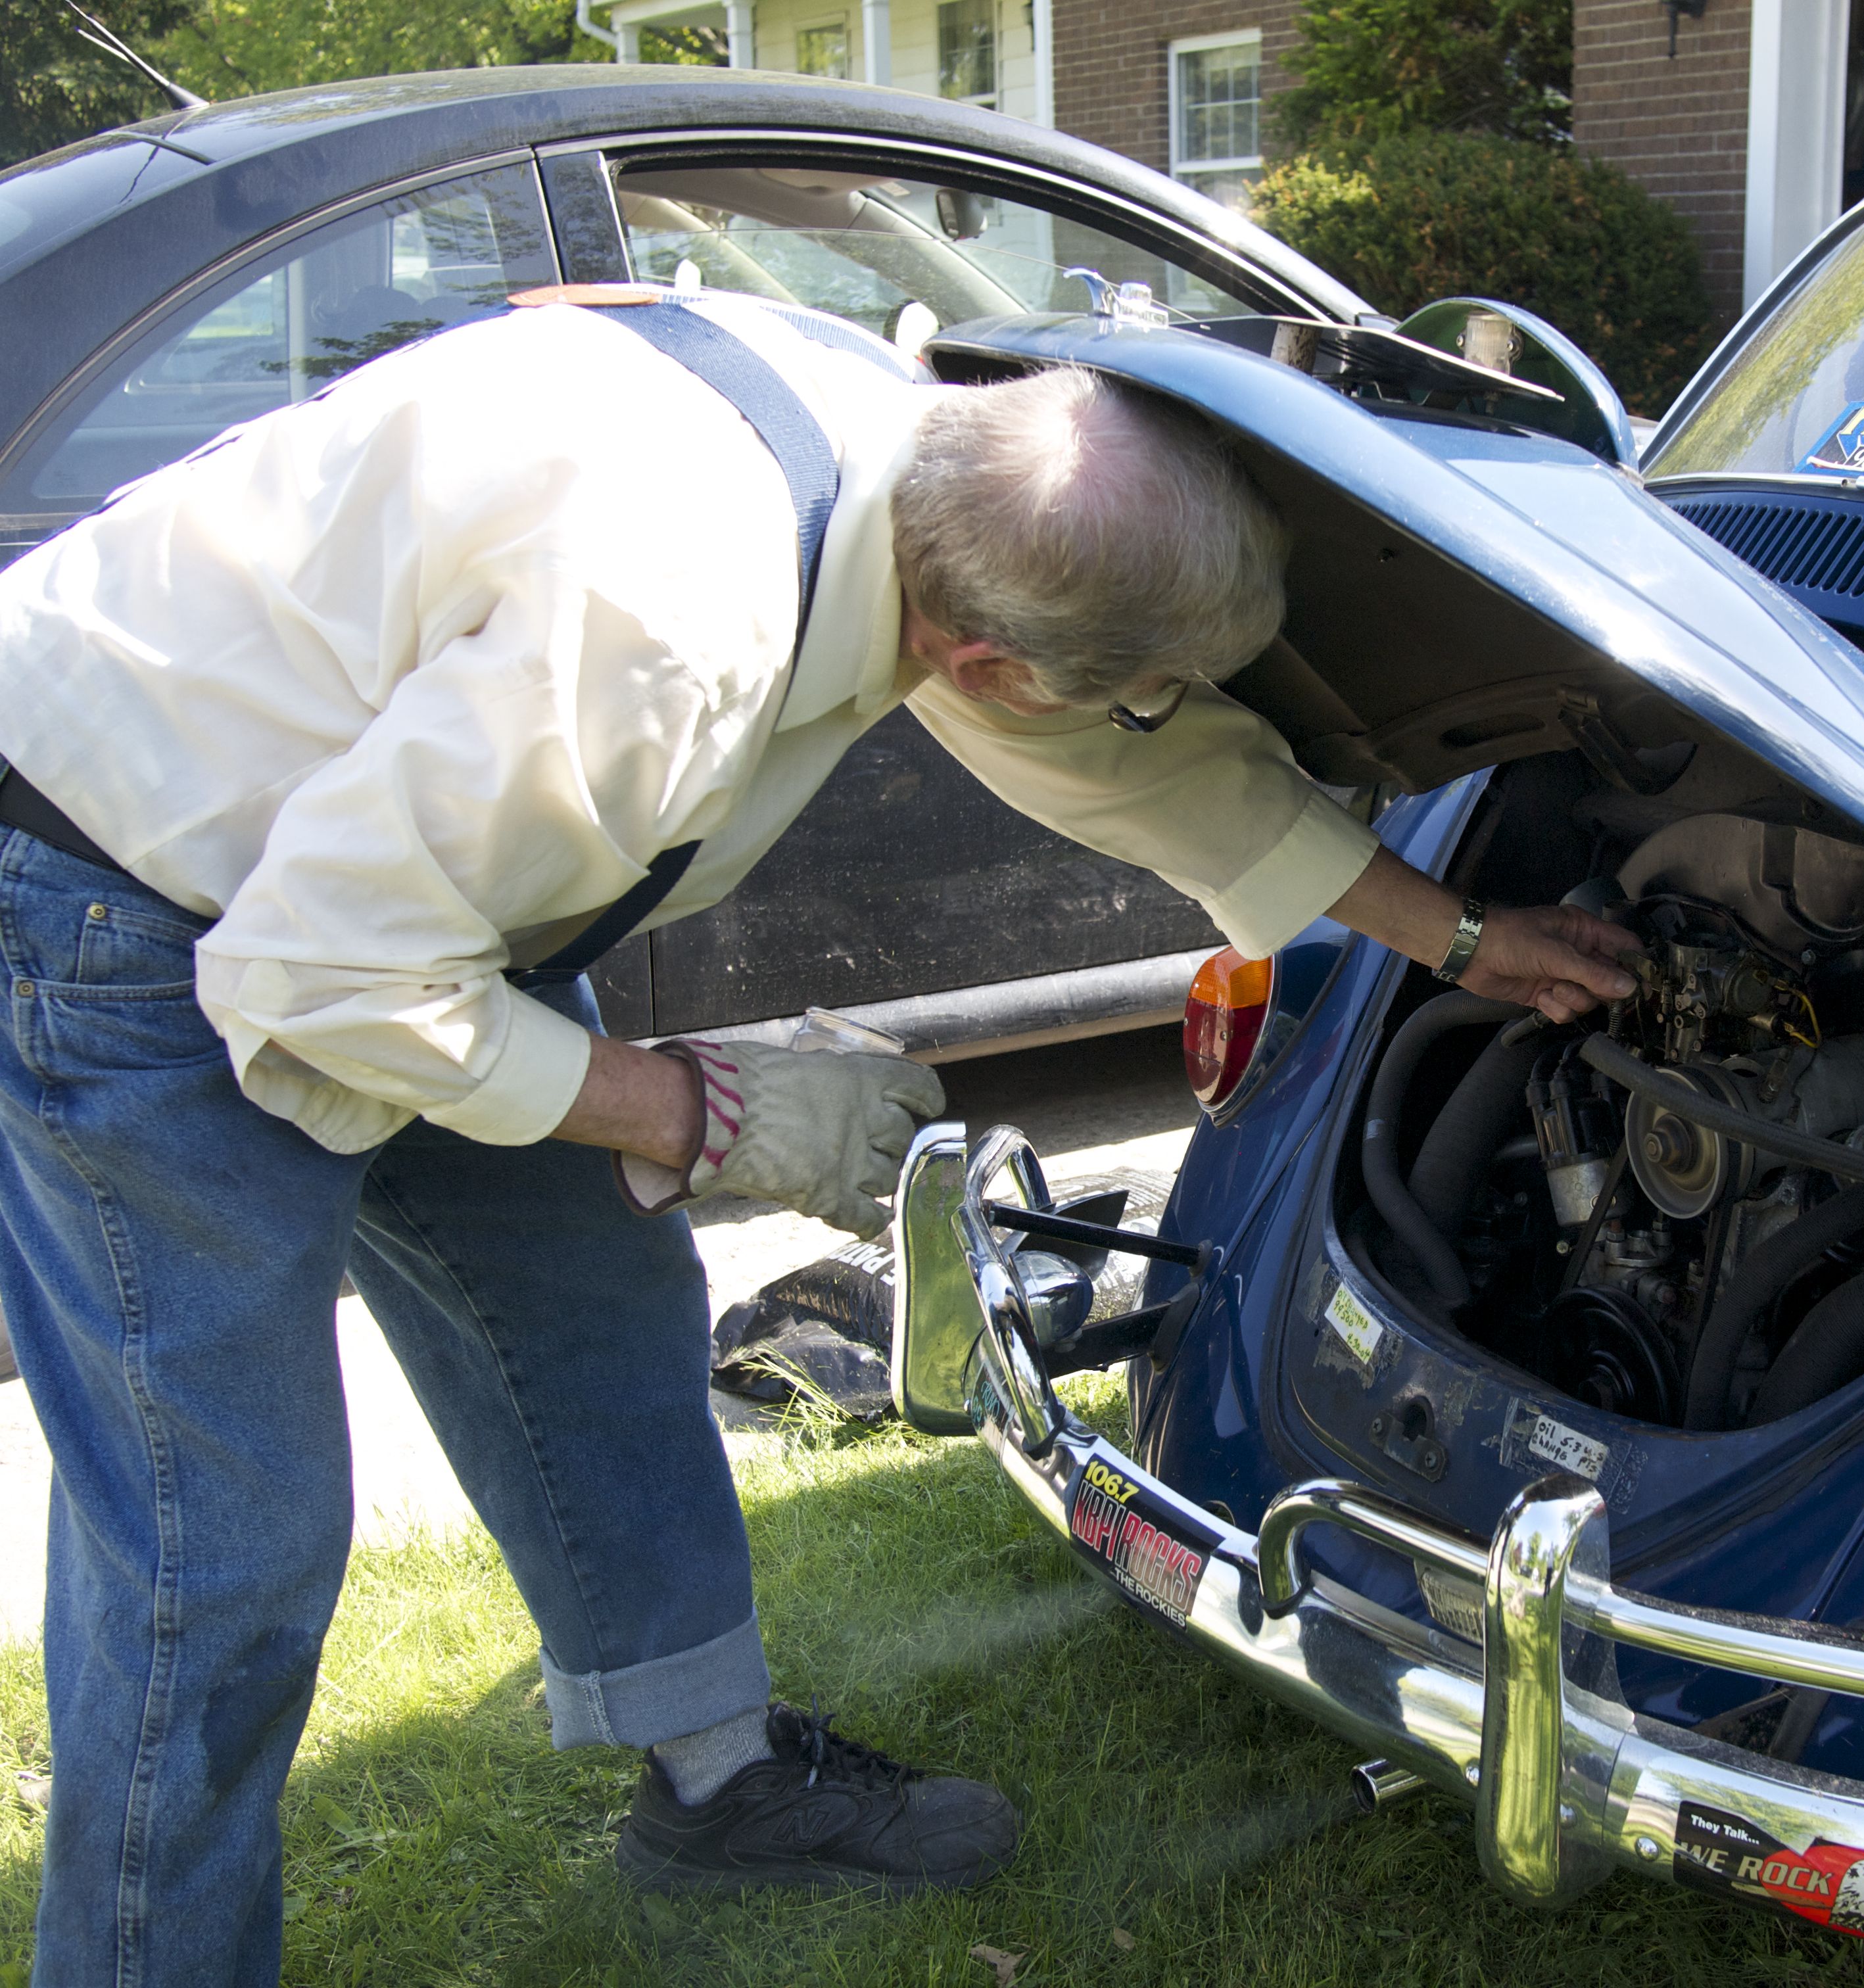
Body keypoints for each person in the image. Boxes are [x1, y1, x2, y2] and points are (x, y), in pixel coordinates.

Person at [0, 286, 1635, 1984]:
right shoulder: (667, 629)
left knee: (587, 1312)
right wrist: (710, 1113)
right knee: (223, 1536)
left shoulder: (932, 459)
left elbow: (1156, 771)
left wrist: (1457, 936)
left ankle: (715, 1785)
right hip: (118, 899)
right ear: (977, 657)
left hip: (383, 892)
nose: (1153, 709)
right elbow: (319, 978)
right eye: (1144, 684)